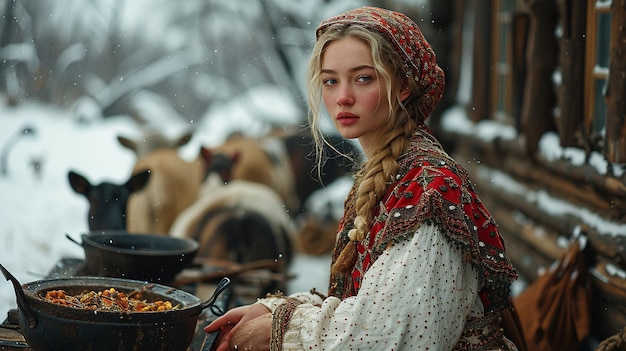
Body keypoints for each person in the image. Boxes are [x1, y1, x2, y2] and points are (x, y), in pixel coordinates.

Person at [205, 6, 520, 351]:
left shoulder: (428, 190)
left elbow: (394, 335)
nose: (342, 97)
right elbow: (372, 305)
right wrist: (275, 308)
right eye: (330, 81)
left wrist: (283, 329)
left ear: (402, 85)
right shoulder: (388, 174)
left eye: (363, 78)